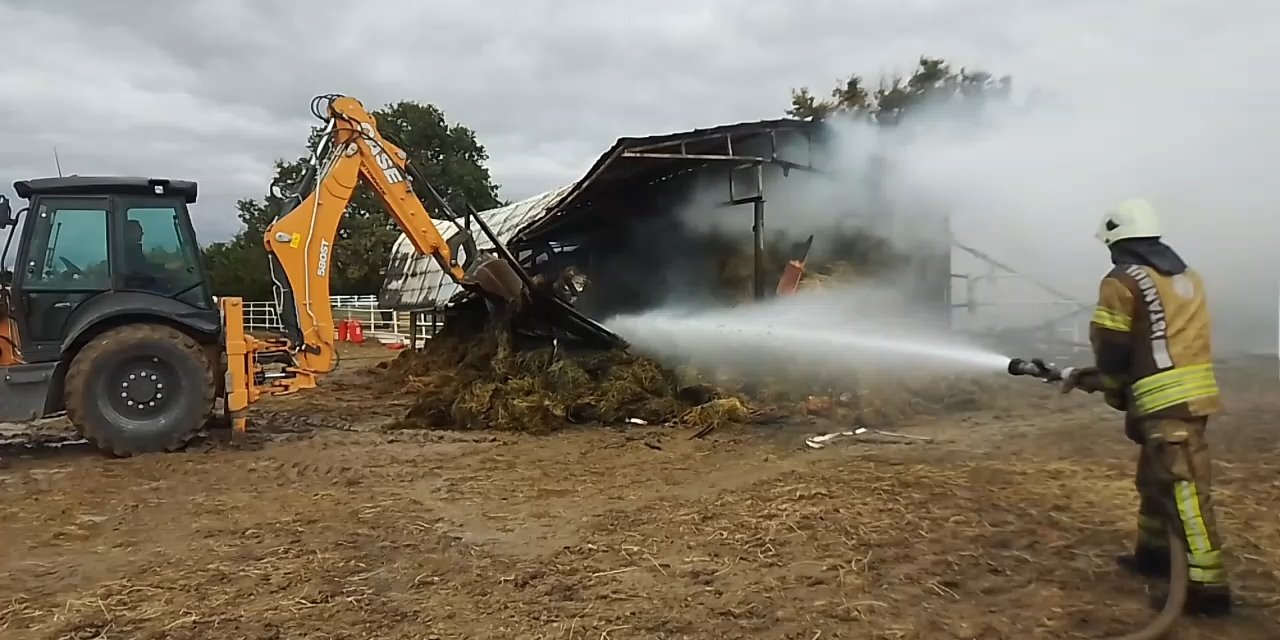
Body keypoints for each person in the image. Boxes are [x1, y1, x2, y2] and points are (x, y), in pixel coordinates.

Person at [1074, 198, 1231, 616]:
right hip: (1192, 395)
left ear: (1118, 241)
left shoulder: (1122, 281)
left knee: (1184, 490)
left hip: (1164, 400)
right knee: (1155, 479)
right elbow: (1164, 338)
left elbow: (1112, 347)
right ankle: (1154, 555)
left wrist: (1112, 387)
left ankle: (1207, 587)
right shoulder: (1186, 277)